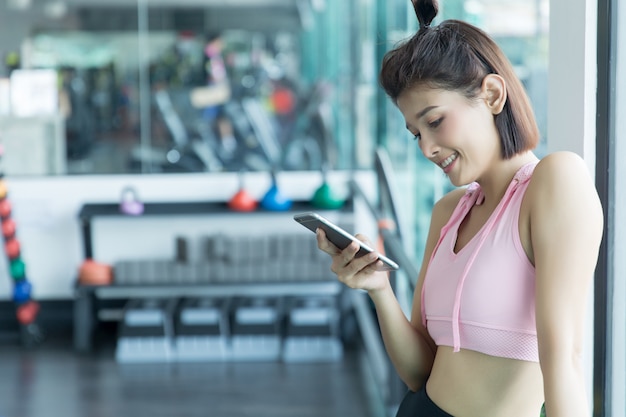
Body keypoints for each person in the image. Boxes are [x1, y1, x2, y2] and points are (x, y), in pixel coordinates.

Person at [315, 1, 604, 416]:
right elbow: (419, 372)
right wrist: (378, 289)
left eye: (434, 122)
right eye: (416, 134)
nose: (427, 148)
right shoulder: (448, 211)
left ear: (491, 94)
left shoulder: (556, 181)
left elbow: (565, 362)